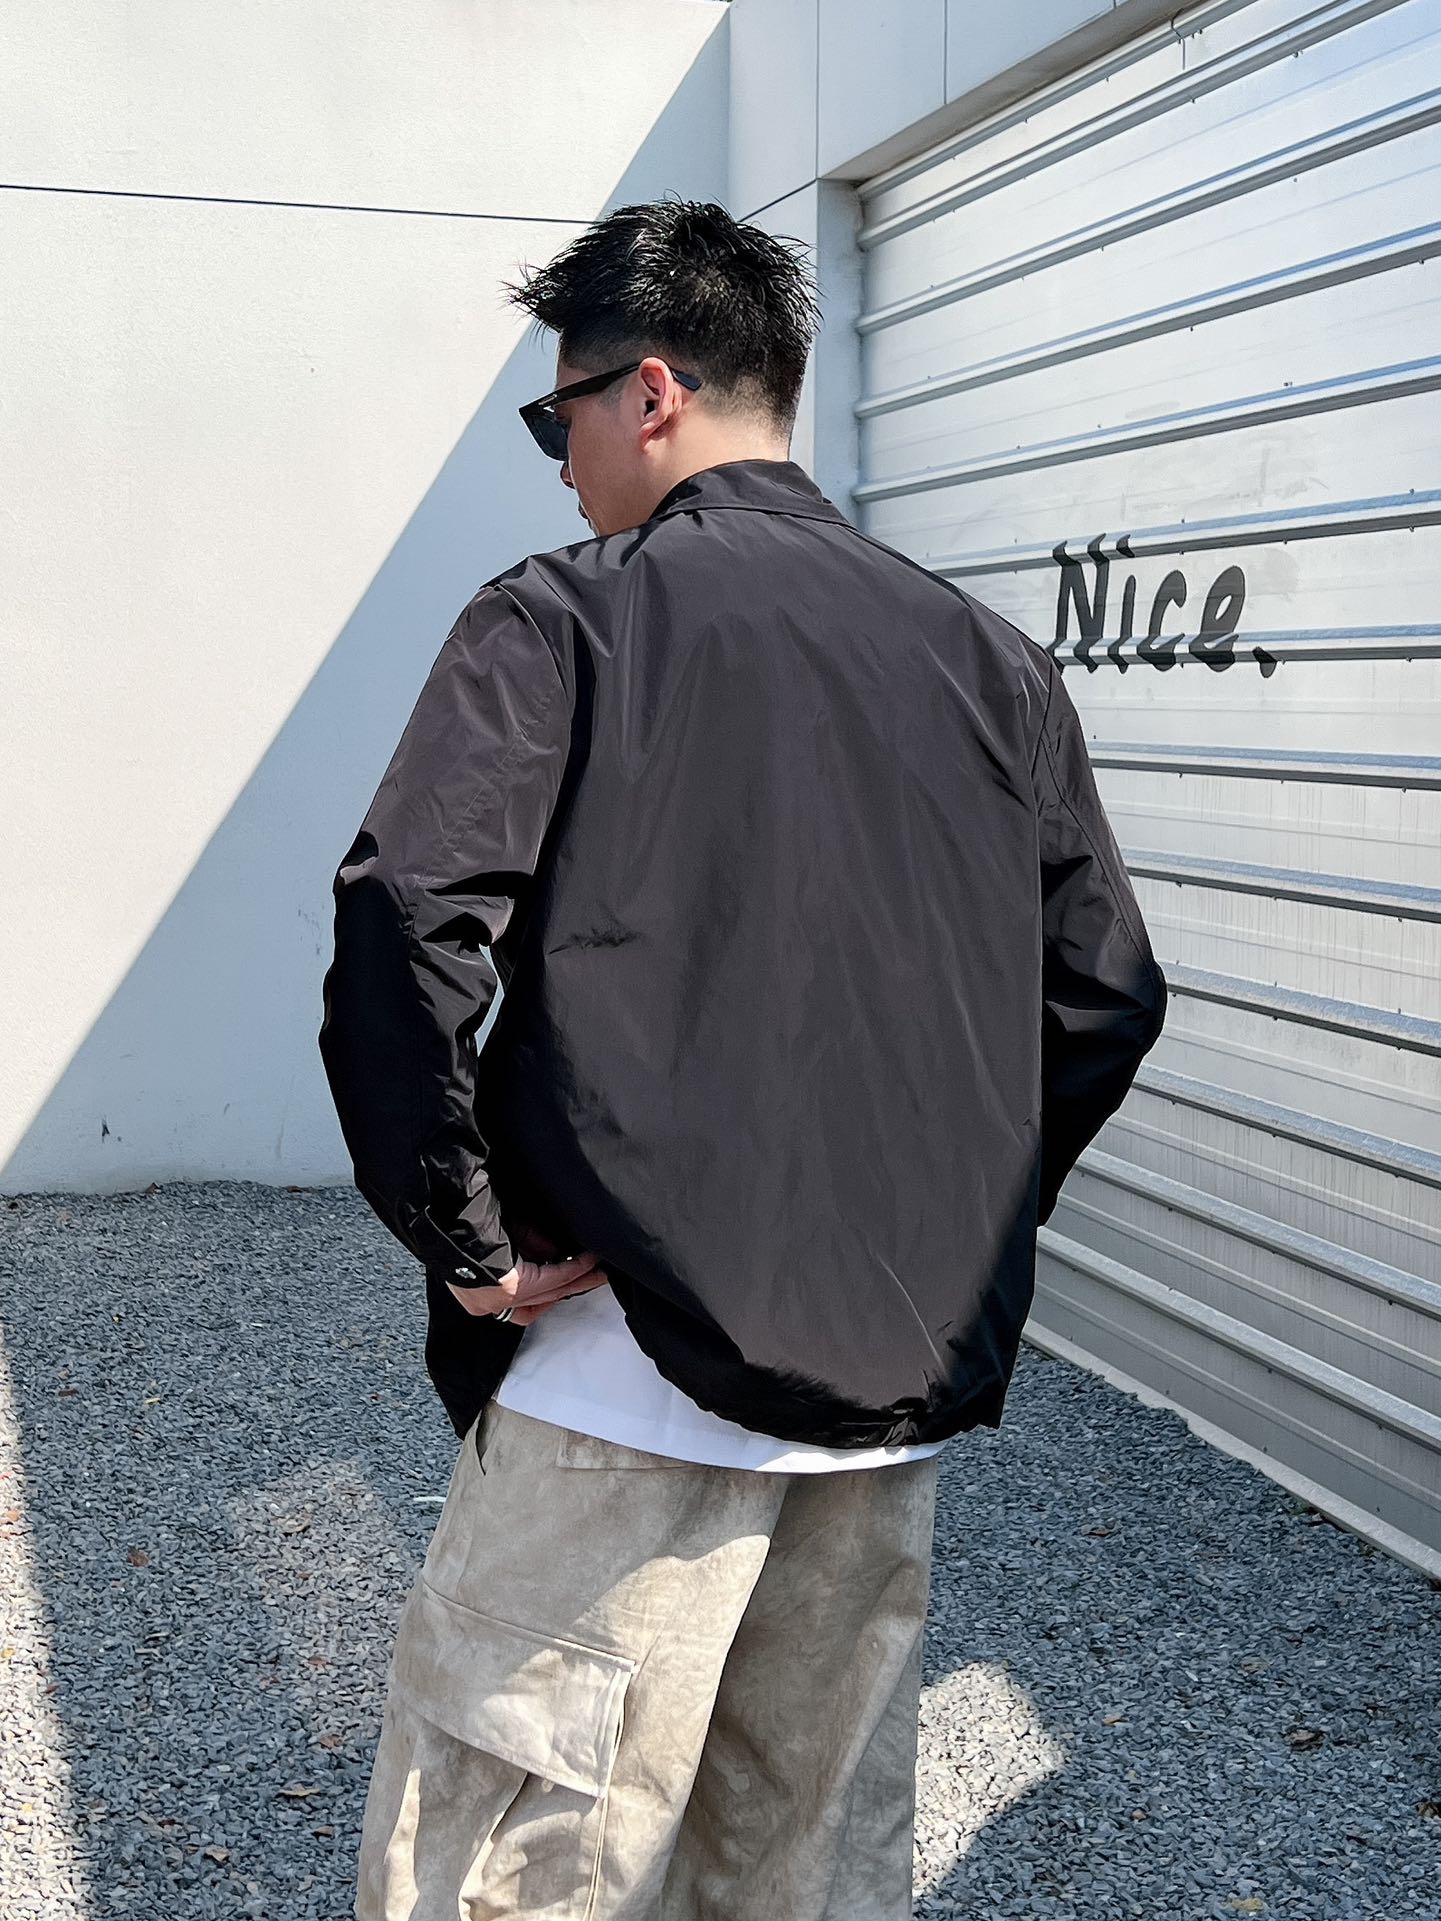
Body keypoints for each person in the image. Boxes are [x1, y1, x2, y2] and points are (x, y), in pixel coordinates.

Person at [317, 194, 1167, 1921]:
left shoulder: (565, 618)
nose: (558, 464)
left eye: (554, 416)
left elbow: (408, 915)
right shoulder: (987, 661)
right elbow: (1102, 992)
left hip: (615, 1382)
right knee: (804, 1880)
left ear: (647, 391)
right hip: (875, 1426)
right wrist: (939, 1236)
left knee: (512, 1875)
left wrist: (462, 1232)